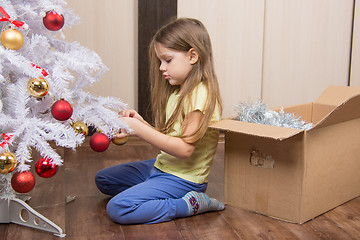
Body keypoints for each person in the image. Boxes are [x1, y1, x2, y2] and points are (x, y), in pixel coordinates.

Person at [95, 17, 224, 224]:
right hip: (163, 167)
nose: (161, 68)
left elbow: (184, 150)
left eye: (168, 60)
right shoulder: (177, 93)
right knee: (104, 180)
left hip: (184, 179)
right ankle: (154, 190)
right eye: (160, 61)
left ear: (192, 56)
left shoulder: (200, 96)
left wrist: (139, 130)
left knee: (119, 208)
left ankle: (189, 204)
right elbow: (170, 137)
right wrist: (141, 122)